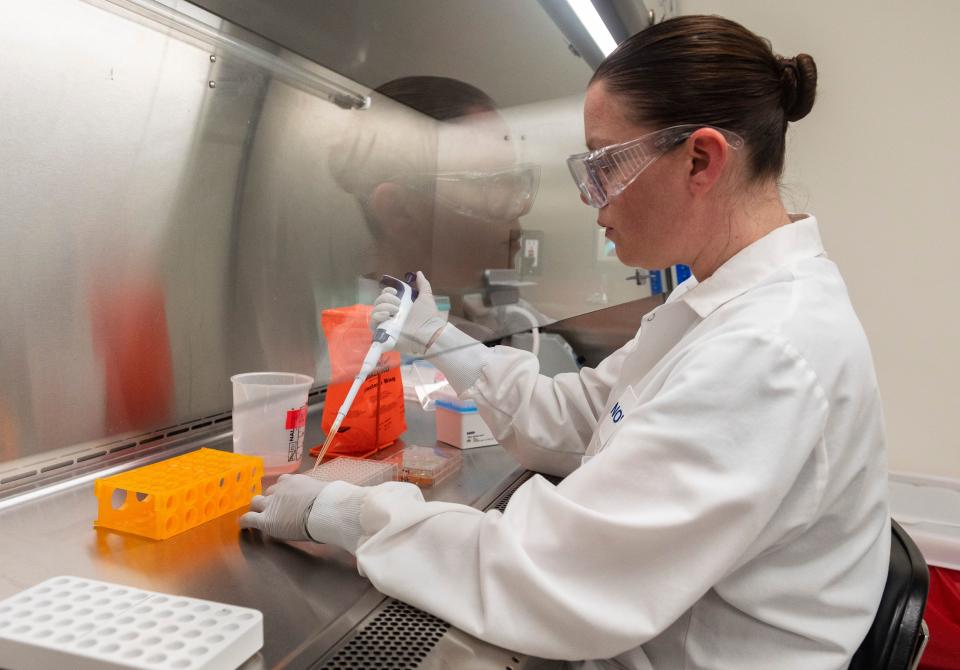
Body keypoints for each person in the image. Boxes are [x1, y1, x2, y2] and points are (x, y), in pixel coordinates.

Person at [240, 15, 889, 669]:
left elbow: (556, 579)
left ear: (700, 160)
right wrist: (438, 335)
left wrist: (346, 513)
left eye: (605, 164)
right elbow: (573, 419)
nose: (591, 197)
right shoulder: (717, 307)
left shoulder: (766, 346)